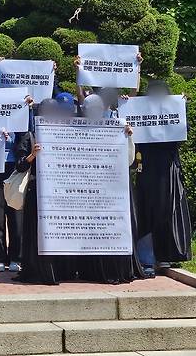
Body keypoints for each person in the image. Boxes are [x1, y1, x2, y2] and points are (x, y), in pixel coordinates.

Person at [76, 93, 145, 284]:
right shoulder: (76, 131)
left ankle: (120, 267)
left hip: (116, 188)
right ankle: (91, 270)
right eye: (88, 109)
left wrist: (128, 137)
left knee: (116, 227)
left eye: (97, 109)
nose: (93, 113)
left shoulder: (117, 128)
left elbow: (129, 160)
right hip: (91, 190)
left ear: (105, 109)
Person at [135, 80, 192, 273]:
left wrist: (181, 109)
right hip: (147, 168)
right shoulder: (140, 112)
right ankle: (148, 255)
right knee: (147, 209)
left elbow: (183, 132)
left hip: (168, 168)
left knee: (169, 209)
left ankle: (168, 254)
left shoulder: (174, 110)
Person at [15, 99, 70, 285]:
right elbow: (20, 166)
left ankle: (61, 269)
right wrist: (32, 155)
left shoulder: (64, 134)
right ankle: (34, 269)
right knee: (35, 232)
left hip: (58, 193)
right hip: (36, 191)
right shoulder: (29, 135)